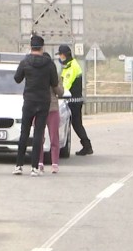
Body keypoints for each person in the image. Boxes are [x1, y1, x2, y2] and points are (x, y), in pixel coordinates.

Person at [13, 34, 60, 176]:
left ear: (30, 47)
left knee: (24, 133)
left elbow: (17, 79)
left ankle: (19, 165)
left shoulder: (25, 62)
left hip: (29, 101)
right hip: (44, 101)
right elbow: (54, 83)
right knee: (38, 133)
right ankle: (34, 167)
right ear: (42, 47)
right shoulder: (49, 63)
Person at [59, 44, 94, 156]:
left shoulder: (72, 67)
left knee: (76, 124)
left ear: (64, 55)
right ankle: (87, 146)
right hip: (73, 100)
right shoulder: (69, 65)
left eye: (60, 55)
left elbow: (66, 85)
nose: (60, 57)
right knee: (76, 124)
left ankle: (87, 146)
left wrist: (58, 92)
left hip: (73, 101)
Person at [37, 74, 64, 174]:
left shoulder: (55, 76)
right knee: (39, 136)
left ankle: (54, 163)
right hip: (39, 108)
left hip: (52, 108)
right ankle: (39, 163)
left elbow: (61, 92)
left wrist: (54, 84)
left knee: (54, 136)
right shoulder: (37, 75)